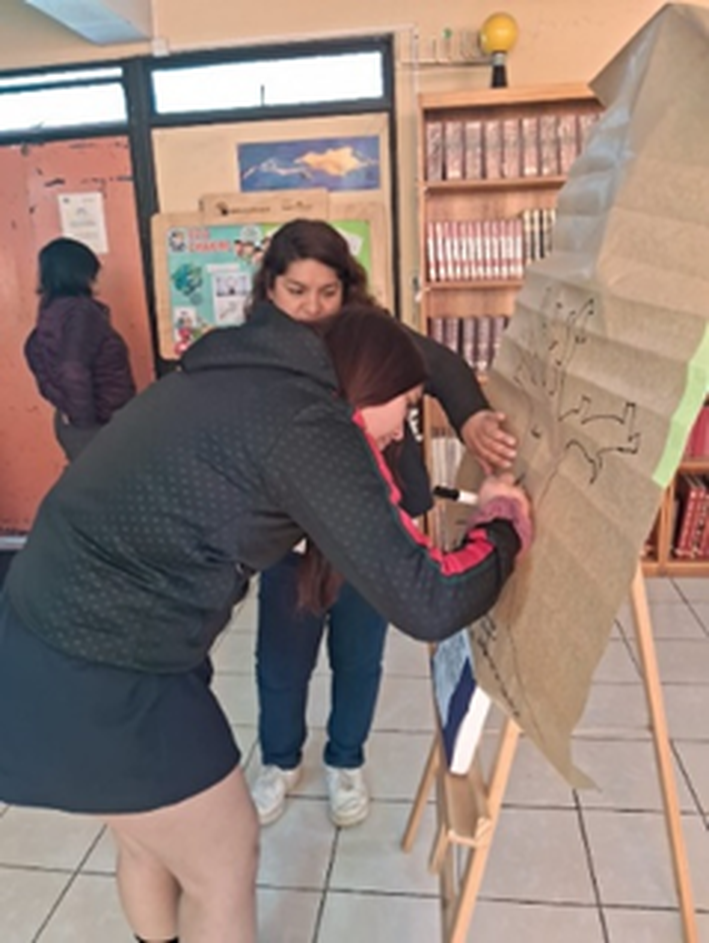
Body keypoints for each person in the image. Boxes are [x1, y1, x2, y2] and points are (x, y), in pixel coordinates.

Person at [0, 300, 531, 943]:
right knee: (224, 859)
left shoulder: (247, 374)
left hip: (42, 628)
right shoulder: (308, 423)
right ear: (371, 386)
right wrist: (502, 527)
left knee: (148, 843)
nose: (402, 431)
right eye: (408, 406)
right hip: (101, 663)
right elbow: (429, 600)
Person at [248, 219, 518, 828]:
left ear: (347, 288)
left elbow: (442, 366)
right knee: (281, 661)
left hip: (371, 530)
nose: (312, 307)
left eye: (327, 292)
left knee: (359, 657)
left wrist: (472, 417)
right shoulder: (259, 351)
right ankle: (279, 761)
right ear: (269, 288)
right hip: (292, 538)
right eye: (296, 291)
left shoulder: (368, 332)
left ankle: (346, 760)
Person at [24, 236, 136, 461]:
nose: (97, 278)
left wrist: (61, 400)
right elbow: (71, 368)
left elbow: (32, 350)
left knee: (90, 479)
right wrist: (85, 424)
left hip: (73, 422)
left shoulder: (51, 311)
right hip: (99, 424)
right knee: (111, 480)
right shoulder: (81, 313)